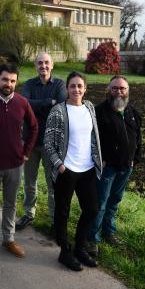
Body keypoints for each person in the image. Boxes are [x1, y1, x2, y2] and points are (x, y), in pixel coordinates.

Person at [43, 71, 102, 271]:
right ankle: (65, 252)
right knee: (62, 212)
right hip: (66, 170)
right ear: (67, 89)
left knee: (92, 209)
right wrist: (59, 165)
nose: (76, 89)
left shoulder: (89, 107)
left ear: (85, 88)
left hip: (87, 169)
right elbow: (48, 143)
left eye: (80, 86)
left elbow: (94, 138)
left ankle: (79, 247)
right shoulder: (59, 111)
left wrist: (96, 160)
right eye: (72, 86)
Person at [0, 63, 38, 259]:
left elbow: (34, 127)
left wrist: (26, 151)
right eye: (5, 79)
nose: (9, 84)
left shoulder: (22, 102)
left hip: (15, 164)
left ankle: (8, 239)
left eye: (13, 81)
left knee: (11, 204)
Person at [87, 75, 143, 257]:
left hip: (126, 167)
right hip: (107, 168)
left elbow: (138, 138)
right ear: (108, 90)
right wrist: (99, 159)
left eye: (122, 88)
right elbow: (91, 140)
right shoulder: (98, 112)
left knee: (114, 202)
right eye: (115, 88)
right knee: (100, 203)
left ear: (127, 91)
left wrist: (135, 157)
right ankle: (92, 239)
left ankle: (109, 232)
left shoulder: (133, 113)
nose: (119, 91)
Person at [17, 51, 66, 230]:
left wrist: (35, 106)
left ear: (52, 65)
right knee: (30, 182)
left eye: (46, 63)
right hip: (30, 141)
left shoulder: (60, 84)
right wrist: (47, 102)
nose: (43, 66)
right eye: (40, 63)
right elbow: (24, 104)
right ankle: (29, 214)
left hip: (51, 144)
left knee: (52, 182)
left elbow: (59, 106)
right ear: (35, 66)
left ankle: (54, 219)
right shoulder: (29, 84)